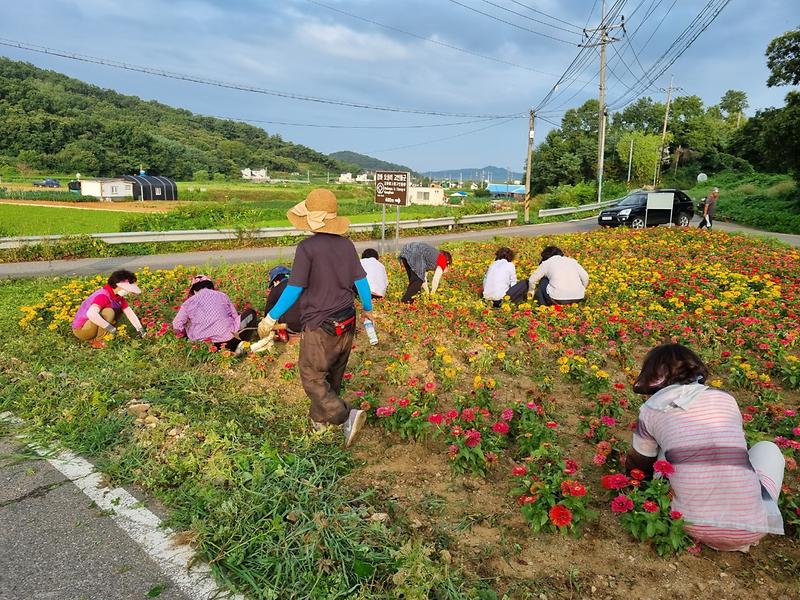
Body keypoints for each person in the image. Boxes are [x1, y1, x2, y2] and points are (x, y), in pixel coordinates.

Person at [627, 343, 785, 552]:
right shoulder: (726, 399)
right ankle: (742, 523)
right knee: (767, 448)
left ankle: (700, 512)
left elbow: (640, 463)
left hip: (687, 523)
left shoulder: (652, 408)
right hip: (752, 528)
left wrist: (636, 493)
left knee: (667, 450)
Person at [255, 188, 374, 447]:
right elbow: (362, 282)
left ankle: (345, 415)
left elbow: (294, 287)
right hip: (347, 320)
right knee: (333, 374)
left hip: (321, 325)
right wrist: (367, 308)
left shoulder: (307, 248)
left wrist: (271, 317)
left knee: (311, 375)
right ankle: (320, 421)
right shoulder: (346, 245)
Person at [172, 275, 257, 354]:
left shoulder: (188, 302)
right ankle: (241, 344)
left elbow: (176, 325)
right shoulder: (222, 295)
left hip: (203, 346)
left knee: (187, 324)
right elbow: (235, 316)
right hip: (228, 341)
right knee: (250, 313)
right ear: (211, 287)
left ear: (194, 290)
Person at [72, 269, 145, 343]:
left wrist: (141, 330)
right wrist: (110, 328)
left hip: (92, 325)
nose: (128, 291)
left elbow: (130, 314)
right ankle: (100, 341)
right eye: (126, 289)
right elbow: (91, 314)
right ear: (117, 285)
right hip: (82, 330)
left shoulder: (118, 297)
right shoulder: (103, 295)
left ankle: (94, 339)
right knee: (109, 312)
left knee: (118, 310)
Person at [264, 265, 303, 342]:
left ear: (276, 281)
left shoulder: (276, 289)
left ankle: (282, 334)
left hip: (292, 326)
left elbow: (267, 314)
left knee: (275, 314)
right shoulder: (300, 284)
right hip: (311, 323)